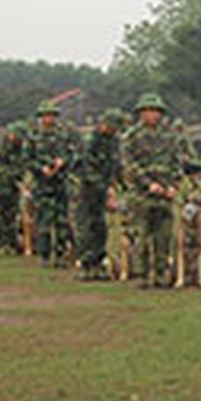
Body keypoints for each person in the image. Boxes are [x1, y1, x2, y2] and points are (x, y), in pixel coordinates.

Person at [121, 94, 186, 288]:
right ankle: (142, 276)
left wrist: (174, 185)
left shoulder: (170, 136)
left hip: (165, 195)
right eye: (148, 111)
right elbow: (129, 164)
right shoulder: (131, 136)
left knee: (163, 237)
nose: (152, 115)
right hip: (142, 196)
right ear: (141, 113)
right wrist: (148, 184)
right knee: (141, 236)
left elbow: (178, 162)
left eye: (156, 111)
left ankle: (160, 274)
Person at [75, 108, 127, 280]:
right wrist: (107, 188)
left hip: (103, 190)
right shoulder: (90, 141)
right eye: (113, 127)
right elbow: (87, 170)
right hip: (88, 191)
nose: (115, 131)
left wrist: (122, 184)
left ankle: (99, 264)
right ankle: (86, 266)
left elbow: (116, 165)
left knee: (101, 228)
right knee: (86, 228)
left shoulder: (113, 141)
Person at [26, 102, 79, 266]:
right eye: (46, 115)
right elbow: (27, 159)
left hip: (61, 183)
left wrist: (63, 162)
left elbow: (73, 154)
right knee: (44, 221)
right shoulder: (33, 136)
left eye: (52, 115)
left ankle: (62, 254)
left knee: (62, 221)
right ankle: (45, 255)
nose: (49, 119)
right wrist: (41, 169)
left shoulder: (64, 134)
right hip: (42, 185)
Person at [0, 122, 27, 254]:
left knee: (11, 215)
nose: (17, 139)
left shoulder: (20, 148)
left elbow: (22, 164)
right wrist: (15, 177)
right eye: (15, 136)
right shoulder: (0, 147)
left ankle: (11, 243)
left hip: (12, 187)